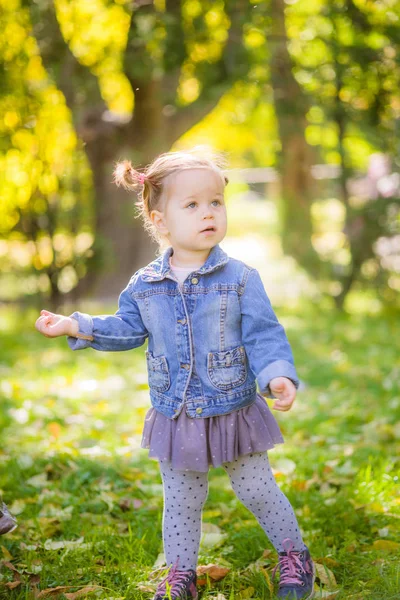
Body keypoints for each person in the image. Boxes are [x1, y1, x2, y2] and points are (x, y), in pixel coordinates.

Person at [35, 148, 315, 599]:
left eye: (216, 202)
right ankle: (181, 575)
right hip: (177, 411)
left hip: (233, 409)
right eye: (192, 205)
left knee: (258, 489)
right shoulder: (145, 284)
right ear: (159, 220)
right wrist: (77, 326)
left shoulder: (241, 278)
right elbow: (126, 329)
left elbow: (264, 334)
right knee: (182, 503)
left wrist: (277, 374)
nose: (209, 213)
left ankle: (295, 555)